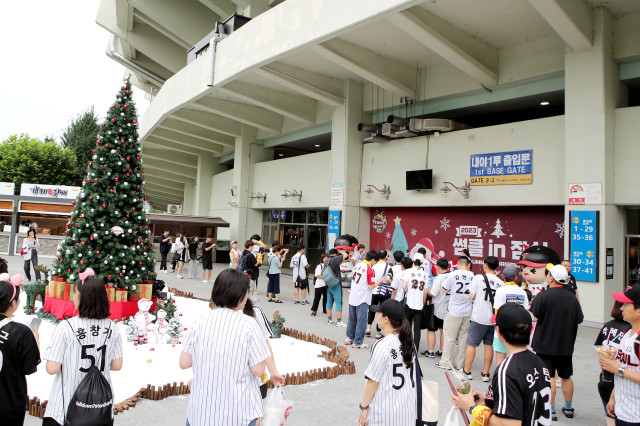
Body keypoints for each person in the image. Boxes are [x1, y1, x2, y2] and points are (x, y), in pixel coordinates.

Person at [180, 269, 270, 426]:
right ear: (241, 295)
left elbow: (184, 362)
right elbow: (258, 370)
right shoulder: (249, 324)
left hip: (200, 413)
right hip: (238, 413)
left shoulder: (200, 320)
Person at [452, 302, 552, 425]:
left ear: (498, 331)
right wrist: (490, 400)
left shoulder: (507, 371)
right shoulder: (540, 363)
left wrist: (472, 407)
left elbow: (509, 424)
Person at [43, 275, 123, 426]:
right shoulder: (113, 327)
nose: (73, 298)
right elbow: (117, 365)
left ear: (83, 298)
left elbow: (52, 368)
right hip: (100, 408)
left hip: (65, 408)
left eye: (75, 294)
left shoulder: (66, 327)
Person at [530, 263, 584, 420]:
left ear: (551, 278)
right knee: (566, 376)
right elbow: (579, 319)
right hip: (566, 345)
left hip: (545, 344)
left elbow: (534, 317)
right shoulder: (572, 298)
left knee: (549, 377)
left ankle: (550, 408)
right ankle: (568, 407)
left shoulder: (544, 296)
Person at [357, 299, 417, 426]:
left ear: (386, 319)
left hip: (384, 414)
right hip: (407, 412)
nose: (377, 317)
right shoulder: (410, 344)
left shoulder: (381, 345)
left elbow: (373, 381)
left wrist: (364, 407)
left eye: (379, 314)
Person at [0, 275, 40, 425]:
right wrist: (35, 342)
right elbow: (29, 367)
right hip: (8, 405)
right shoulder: (21, 332)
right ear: (13, 303)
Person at [601, 285, 640, 426]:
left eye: (625, 304)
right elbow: (622, 367)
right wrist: (613, 397)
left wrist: (617, 369)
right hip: (622, 411)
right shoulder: (627, 333)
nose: (621, 308)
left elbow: (620, 369)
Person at [463, 256, 504, 382]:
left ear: (485, 265)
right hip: (492, 320)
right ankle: (485, 373)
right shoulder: (500, 283)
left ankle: (467, 371)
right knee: (488, 347)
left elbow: (471, 295)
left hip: (478, 318)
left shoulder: (478, 278)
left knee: (471, 345)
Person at [242, 298, 286, 400]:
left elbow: (265, 344)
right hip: (231, 385)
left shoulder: (255, 311)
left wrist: (273, 371)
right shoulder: (220, 315)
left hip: (257, 382)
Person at [595, 301, 629, 426]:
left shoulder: (608, 325)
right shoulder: (631, 331)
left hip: (606, 380)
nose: (622, 308)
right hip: (621, 385)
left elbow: (599, 347)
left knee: (610, 418)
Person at [437, 256, 475, 370]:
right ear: (468, 265)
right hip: (468, 311)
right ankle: (460, 364)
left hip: (454, 310)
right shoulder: (473, 275)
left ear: (458, 264)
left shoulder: (452, 275)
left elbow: (445, 289)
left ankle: (446, 362)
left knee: (449, 337)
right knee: (463, 339)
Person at [492, 264, 530, 366]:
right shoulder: (522, 291)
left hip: (503, 329)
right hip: (519, 330)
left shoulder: (500, 290)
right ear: (516, 278)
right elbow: (526, 311)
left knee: (500, 360)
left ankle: (499, 381)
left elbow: (497, 312)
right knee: (516, 360)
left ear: (502, 277)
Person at [346, 250, 378, 349]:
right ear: (373, 260)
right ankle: (358, 342)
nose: (375, 263)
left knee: (352, 318)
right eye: (375, 261)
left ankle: (349, 338)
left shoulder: (357, 266)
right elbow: (371, 286)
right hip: (362, 298)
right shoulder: (369, 269)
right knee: (362, 320)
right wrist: (379, 281)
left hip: (353, 295)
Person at [423, 257, 450, 358]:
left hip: (437, 307)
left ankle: (430, 351)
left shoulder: (439, 278)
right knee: (443, 330)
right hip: (448, 307)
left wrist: (426, 291)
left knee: (431, 329)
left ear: (438, 267)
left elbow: (433, 293)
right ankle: (442, 351)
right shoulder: (451, 276)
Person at [402, 254, 428, 352]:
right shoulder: (424, 274)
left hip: (409, 302)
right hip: (419, 304)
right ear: (421, 263)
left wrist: (407, 292)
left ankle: (405, 346)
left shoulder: (408, 271)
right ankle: (415, 348)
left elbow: (404, 286)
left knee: (407, 325)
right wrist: (423, 302)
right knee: (417, 328)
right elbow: (425, 292)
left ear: (413, 261)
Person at [367, 249, 393, 339]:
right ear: (386, 257)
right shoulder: (389, 267)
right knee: (381, 311)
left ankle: (368, 328)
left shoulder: (373, 266)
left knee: (371, 309)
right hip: (383, 292)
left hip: (373, 290)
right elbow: (389, 280)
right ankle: (378, 333)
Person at [326, 249, 347, 327]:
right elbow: (345, 255)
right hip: (336, 284)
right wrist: (341, 251)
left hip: (328, 284)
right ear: (335, 254)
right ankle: (339, 321)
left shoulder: (327, 261)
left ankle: (329, 319)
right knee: (338, 302)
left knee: (329, 301)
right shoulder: (335, 259)